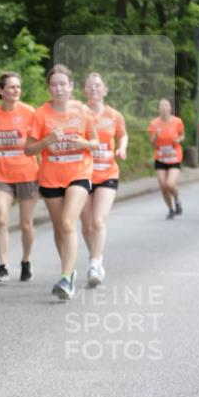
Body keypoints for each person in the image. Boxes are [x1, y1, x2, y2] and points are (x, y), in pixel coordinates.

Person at [26, 64, 99, 300]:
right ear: (49, 88)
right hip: (50, 176)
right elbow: (28, 150)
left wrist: (84, 145)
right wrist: (47, 140)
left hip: (79, 172)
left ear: (71, 86)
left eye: (63, 84)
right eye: (54, 84)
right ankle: (68, 270)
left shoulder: (83, 111)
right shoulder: (40, 114)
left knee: (68, 223)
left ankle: (66, 277)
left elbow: (96, 142)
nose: (58, 89)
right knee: (60, 228)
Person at [0, 71, 38, 284]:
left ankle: (26, 261)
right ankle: (3, 266)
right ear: (0, 90)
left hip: (28, 173)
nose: (16, 91)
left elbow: (36, 139)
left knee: (26, 224)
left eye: (18, 87)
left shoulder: (29, 113)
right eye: (11, 87)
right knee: (2, 218)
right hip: (2, 173)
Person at [80, 72, 128, 286]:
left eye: (98, 86)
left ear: (105, 90)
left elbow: (123, 134)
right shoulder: (78, 114)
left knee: (98, 220)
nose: (94, 89)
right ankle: (95, 258)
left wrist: (122, 147)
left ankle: (94, 264)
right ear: (84, 91)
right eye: (90, 86)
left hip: (108, 172)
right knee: (85, 225)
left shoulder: (114, 115)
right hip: (83, 174)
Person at [148, 99, 185, 219]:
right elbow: (152, 143)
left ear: (170, 108)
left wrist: (179, 140)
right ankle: (170, 209)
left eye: (166, 105)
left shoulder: (177, 121)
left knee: (170, 184)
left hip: (174, 157)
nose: (163, 107)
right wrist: (156, 137)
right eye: (161, 106)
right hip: (160, 158)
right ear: (159, 109)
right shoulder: (154, 123)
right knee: (163, 186)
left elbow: (182, 135)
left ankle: (177, 200)